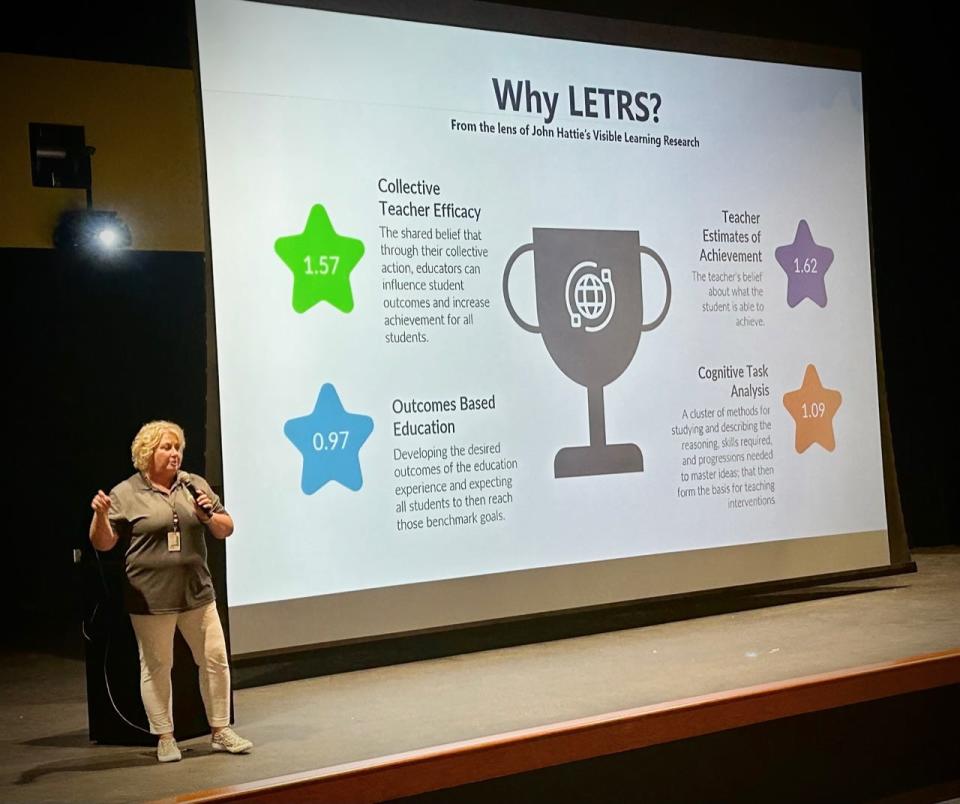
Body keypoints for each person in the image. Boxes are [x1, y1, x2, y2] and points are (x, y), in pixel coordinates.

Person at [89, 420, 253, 763]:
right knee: (157, 666)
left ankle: (220, 731)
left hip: (197, 592)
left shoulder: (193, 485)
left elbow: (226, 528)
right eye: (167, 447)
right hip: (151, 599)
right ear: (147, 453)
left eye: (177, 447)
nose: (175, 453)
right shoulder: (125, 493)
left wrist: (207, 517)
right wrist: (100, 517)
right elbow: (103, 544)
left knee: (215, 660)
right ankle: (165, 737)